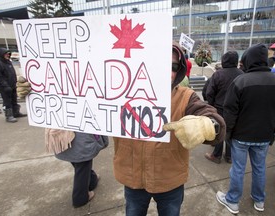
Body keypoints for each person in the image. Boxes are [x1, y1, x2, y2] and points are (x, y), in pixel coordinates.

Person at [113, 42, 226, 216]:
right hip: (132, 178)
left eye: (173, 66)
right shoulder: (115, 94)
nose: (166, 72)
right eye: (158, 63)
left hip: (170, 180)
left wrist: (209, 125)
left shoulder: (186, 96)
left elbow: (208, 113)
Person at [216, 43, 275, 214]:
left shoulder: (240, 81)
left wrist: (228, 133)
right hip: (264, 135)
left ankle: (232, 201)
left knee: (238, 169)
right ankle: (259, 200)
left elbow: (230, 112)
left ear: (248, 60)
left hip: (241, 136)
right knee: (260, 168)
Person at [46, 129, 109, 208]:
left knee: (80, 163)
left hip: (62, 135)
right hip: (78, 137)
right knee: (82, 162)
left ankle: (92, 180)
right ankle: (80, 198)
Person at [205, 51, 243, 164]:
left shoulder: (218, 74)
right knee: (231, 131)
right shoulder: (242, 74)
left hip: (219, 108)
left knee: (219, 131)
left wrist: (211, 106)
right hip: (236, 109)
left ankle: (216, 155)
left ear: (223, 60)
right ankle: (229, 156)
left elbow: (209, 93)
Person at [0, 48, 27, 123]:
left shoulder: (8, 62)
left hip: (12, 85)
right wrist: (5, 85)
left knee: (14, 99)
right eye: (6, 54)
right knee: (7, 101)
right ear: (2, 54)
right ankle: (9, 116)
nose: (8, 55)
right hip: (4, 87)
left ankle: (16, 112)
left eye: (8, 54)